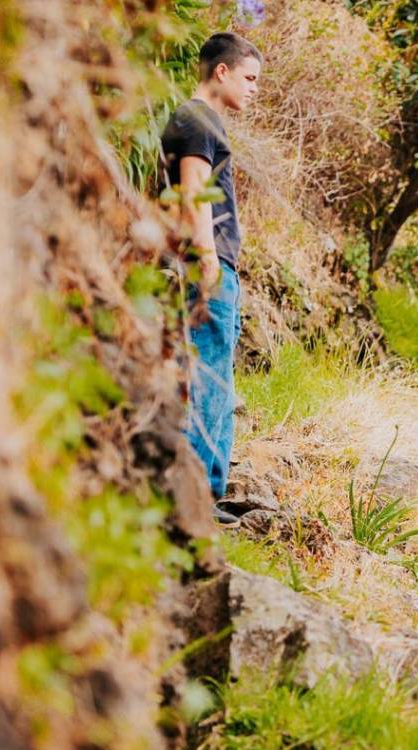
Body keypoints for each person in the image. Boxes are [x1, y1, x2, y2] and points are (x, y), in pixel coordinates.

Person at [160, 32, 262, 523]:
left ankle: (208, 491)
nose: (254, 89)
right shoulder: (198, 120)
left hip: (214, 267)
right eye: (249, 78)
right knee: (206, 376)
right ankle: (195, 493)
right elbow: (193, 192)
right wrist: (207, 264)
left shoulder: (200, 121)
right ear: (221, 72)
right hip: (207, 267)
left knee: (217, 375)